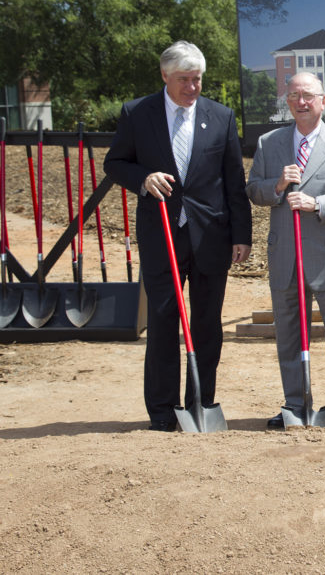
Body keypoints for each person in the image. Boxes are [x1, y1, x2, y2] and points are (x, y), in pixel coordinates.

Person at [105, 40, 252, 432]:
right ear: (165, 76)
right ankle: (163, 409)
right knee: (164, 319)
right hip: (161, 236)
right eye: (184, 79)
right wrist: (143, 178)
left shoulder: (220, 116)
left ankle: (200, 403)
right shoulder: (138, 114)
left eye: (197, 79)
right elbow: (114, 161)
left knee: (206, 323)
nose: (192, 87)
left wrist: (242, 234)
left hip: (211, 237)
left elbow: (234, 180)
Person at [246, 72, 325, 430]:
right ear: (287, 101)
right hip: (286, 256)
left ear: (323, 101)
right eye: (295, 95)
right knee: (288, 333)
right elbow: (253, 190)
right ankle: (295, 404)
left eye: (309, 96)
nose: (301, 102)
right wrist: (277, 185)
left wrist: (317, 203)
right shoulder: (270, 143)